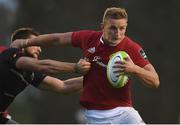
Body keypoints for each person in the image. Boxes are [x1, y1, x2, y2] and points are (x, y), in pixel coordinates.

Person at [11, 7, 160, 124]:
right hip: (96, 116)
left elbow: (155, 81)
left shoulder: (132, 48)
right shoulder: (88, 38)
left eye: (122, 28)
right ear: (103, 26)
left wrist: (134, 69)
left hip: (124, 112)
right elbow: (57, 39)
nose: (118, 34)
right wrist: (25, 42)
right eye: (113, 28)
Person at [0, 27, 91, 124]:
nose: (40, 49)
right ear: (22, 43)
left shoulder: (31, 73)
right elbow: (44, 66)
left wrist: (96, 76)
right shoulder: (10, 54)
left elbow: (64, 86)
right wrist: (75, 67)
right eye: (36, 44)